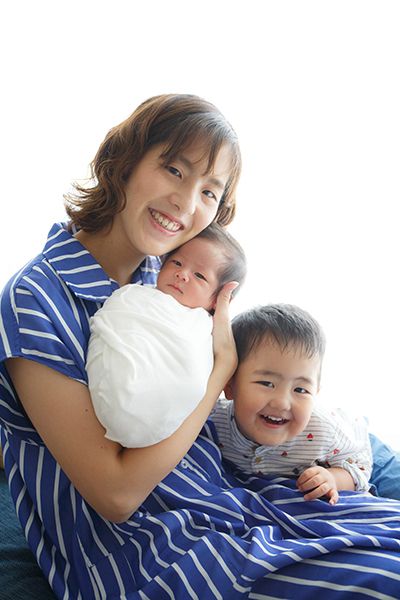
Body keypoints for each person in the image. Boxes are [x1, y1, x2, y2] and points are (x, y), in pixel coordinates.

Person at [1, 93, 400, 599]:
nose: (187, 205)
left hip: (229, 497)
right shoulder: (36, 298)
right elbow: (117, 496)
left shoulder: (164, 267)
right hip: (150, 551)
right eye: (174, 169)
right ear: (124, 162)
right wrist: (219, 374)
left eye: (210, 191)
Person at [87, 223, 246, 448]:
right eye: (177, 263)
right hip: (110, 397)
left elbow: (194, 369)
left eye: (199, 276)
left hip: (163, 424)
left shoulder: (204, 327)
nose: (182, 274)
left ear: (217, 299)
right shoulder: (135, 296)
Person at [210, 303, 373, 505]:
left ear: (315, 392)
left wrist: (333, 478)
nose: (282, 403)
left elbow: (359, 464)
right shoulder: (213, 420)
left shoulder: (323, 431)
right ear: (229, 385)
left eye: (300, 390)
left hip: (353, 436)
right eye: (266, 383)